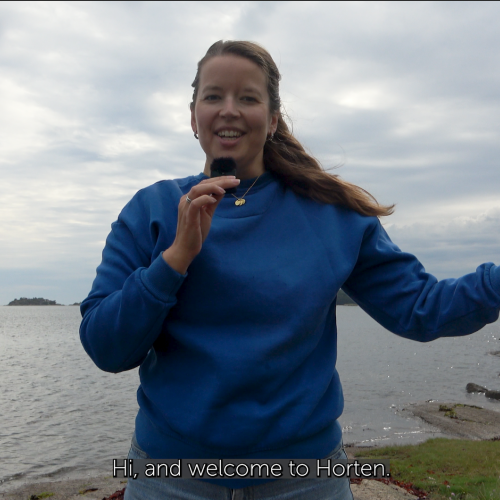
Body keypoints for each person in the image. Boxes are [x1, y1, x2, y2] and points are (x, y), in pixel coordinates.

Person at [80, 40, 500, 500]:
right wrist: (175, 258)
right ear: (193, 114)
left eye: (248, 98)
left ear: (274, 118)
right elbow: (106, 347)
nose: (229, 110)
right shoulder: (151, 211)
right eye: (214, 96)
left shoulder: (332, 214)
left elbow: (422, 309)